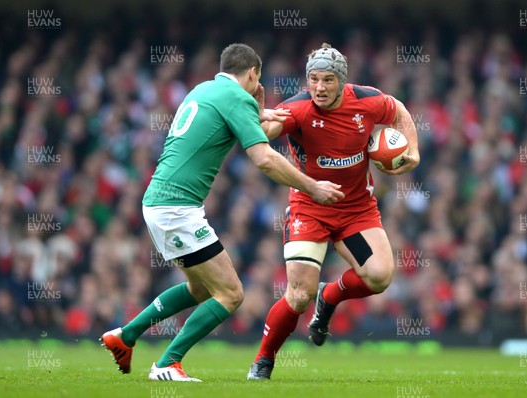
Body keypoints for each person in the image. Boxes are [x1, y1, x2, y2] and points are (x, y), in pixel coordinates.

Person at [100, 43, 344, 382]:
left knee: (201, 289)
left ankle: (125, 336)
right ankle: (168, 363)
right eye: (257, 80)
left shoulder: (205, 89)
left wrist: (258, 110)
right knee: (231, 294)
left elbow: (235, 120)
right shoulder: (236, 98)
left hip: (160, 202)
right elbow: (264, 158)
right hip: (176, 209)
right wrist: (313, 187)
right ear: (252, 74)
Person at [247, 43, 420, 380]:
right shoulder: (297, 108)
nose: (320, 88)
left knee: (381, 276)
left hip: (356, 210)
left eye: (328, 80)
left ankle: (329, 297)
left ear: (342, 81)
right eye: (313, 79)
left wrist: (412, 150)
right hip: (309, 209)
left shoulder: (367, 100)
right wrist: (258, 117)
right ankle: (263, 360)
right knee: (298, 296)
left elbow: (398, 110)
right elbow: (265, 134)